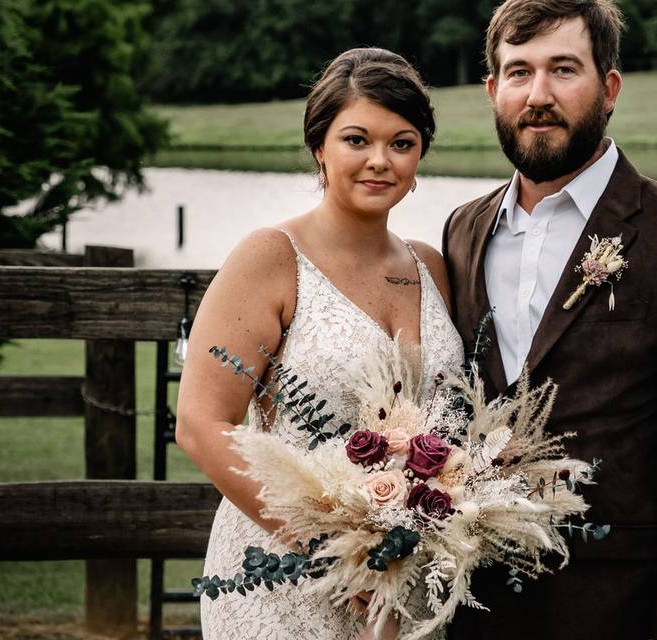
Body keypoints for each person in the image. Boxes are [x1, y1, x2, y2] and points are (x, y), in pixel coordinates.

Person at [442, 1, 657, 638]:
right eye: (518, 72)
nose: (537, 95)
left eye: (563, 69)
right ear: (492, 90)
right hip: (483, 610)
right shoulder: (464, 230)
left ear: (609, 88)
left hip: (626, 607)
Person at [175, 48, 463, 640]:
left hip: (408, 583)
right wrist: (336, 551)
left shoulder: (431, 267)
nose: (379, 161)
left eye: (401, 143)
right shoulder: (270, 258)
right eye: (356, 139)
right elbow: (201, 423)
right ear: (319, 147)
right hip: (284, 576)